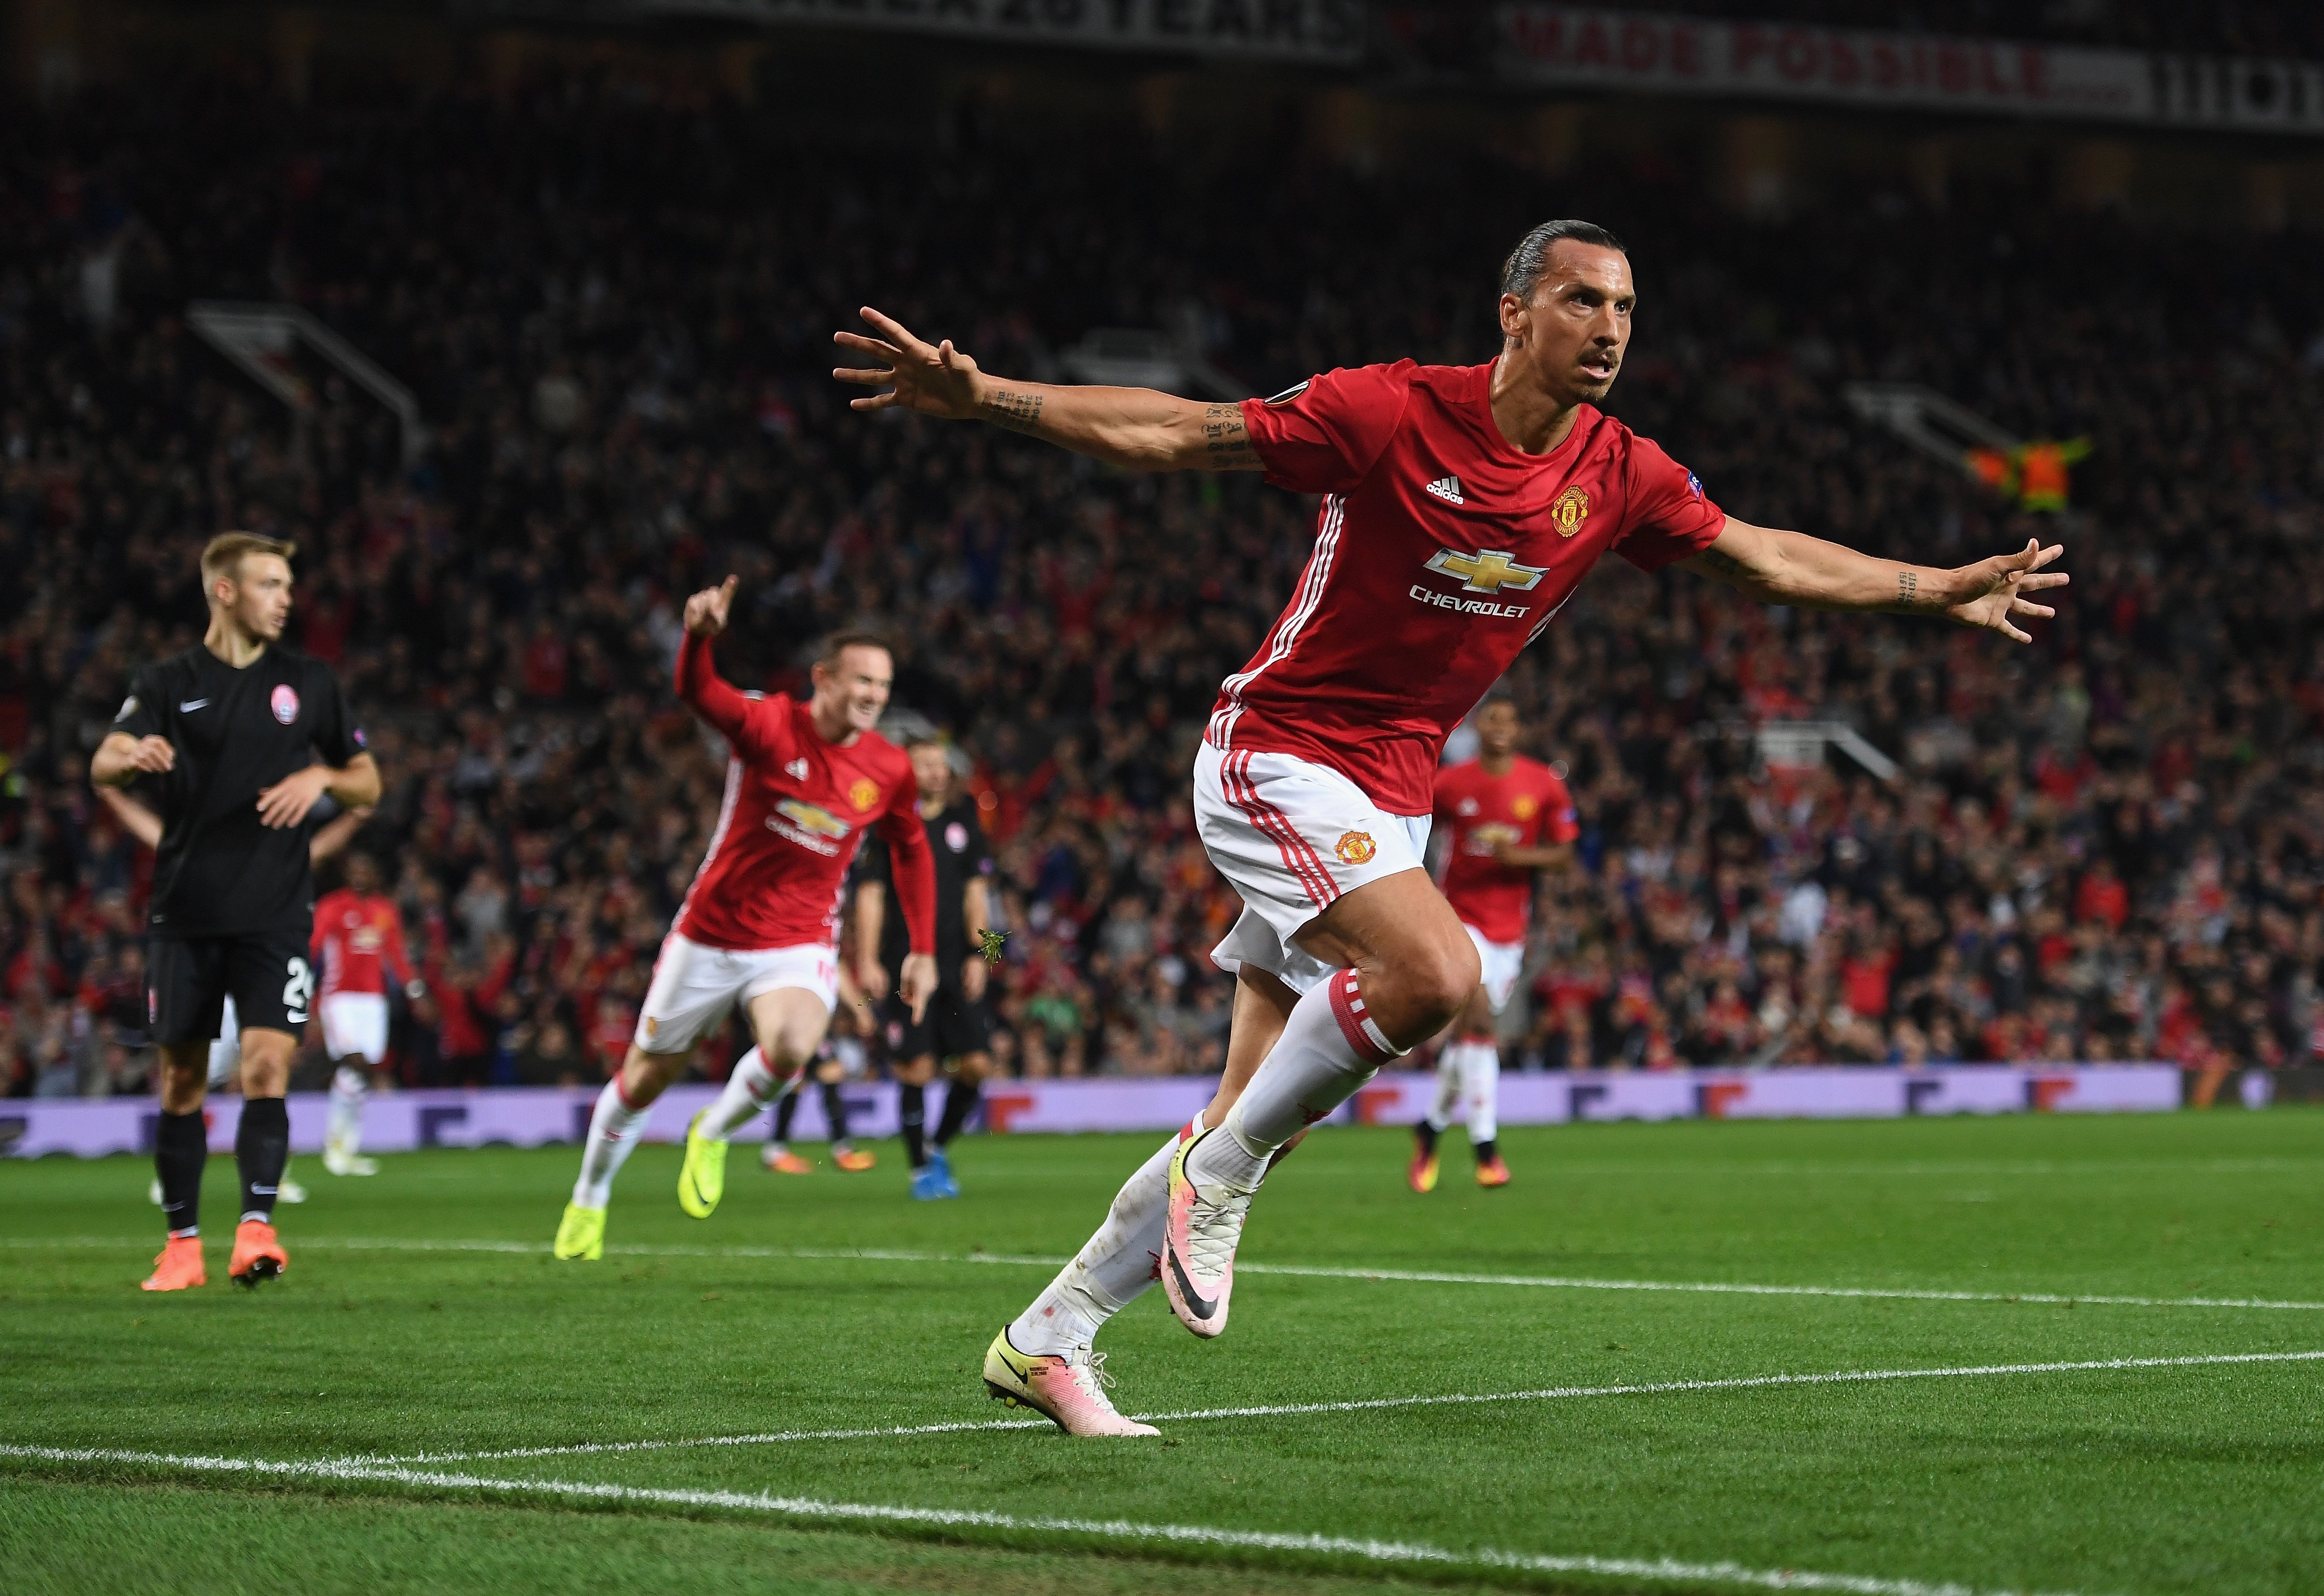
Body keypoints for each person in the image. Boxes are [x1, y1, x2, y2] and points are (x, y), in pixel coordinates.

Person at [837, 217, 2066, 1434]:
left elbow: (1760, 556)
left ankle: (1049, 1340)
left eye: (1627, 309)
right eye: (1584, 301)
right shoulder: (1385, 410)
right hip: (1278, 752)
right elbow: (1178, 433)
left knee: (1257, 1105)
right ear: (1514, 313)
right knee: (1431, 974)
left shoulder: (1616, 470)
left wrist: (1931, 587)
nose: (1610, 330)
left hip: (1389, 795)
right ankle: (1217, 1182)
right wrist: (988, 395)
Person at [551, 581, 937, 1261]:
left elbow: (910, 848)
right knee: (643, 1080)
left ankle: (716, 1129)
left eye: (883, 683)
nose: (874, 695)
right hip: (709, 934)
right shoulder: (768, 724)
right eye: (861, 681)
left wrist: (924, 947)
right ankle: (589, 1197)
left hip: (798, 939)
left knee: (792, 1046)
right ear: (824, 679)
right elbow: (700, 694)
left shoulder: (887, 766)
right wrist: (697, 636)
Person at [93, 532, 380, 1292]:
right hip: (185, 912)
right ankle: (181, 1244)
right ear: (226, 591)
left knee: (265, 1066)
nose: (287, 597)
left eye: (287, 582)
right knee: (183, 1080)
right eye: (270, 584)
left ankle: (256, 1230)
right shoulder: (167, 681)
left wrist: (319, 773)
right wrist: (133, 755)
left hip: (276, 912)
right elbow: (102, 763)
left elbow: (369, 784)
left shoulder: (310, 682)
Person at [102, 783, 372, 1209]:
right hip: (210, 983)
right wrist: (114, 796)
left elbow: (314, 852)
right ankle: (174, 1177)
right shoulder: (200, 850)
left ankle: (272, 1178)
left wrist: (356, 816)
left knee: (268, 1073)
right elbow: (158, 836)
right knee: (191, 1080)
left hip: (257, 980)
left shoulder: (272, 857)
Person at [1413, 695, 1574, 1193]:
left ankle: (1431, 1126)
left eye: (1509, 718)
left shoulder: (1542, 783)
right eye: (1492, 718)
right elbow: (1413, 827)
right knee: (1480, 1020)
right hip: (1458, 915)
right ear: (1478, 725)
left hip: (1511, 926)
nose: (1500, 726)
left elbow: (1565, 854)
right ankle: (1487, 1150)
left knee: (1471, 1036)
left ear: (1520, 728)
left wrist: (1518, 856)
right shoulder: (1452, 781)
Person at [856, 734, 998, 1200]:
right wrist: (868, 958)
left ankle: (937, 1145)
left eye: (941, 764)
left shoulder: (964, 822)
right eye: (926, 765)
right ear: (906, 773)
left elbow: (979, 897)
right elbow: (871, 895)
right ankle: (920, 1170)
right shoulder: (887, 827)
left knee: (977, 1065)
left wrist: (985, 954)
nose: (938, 772)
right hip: (905, 967)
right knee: (915, 1068)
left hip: (956, 966)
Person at [311, 850, 422, 1176]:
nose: (361, 875)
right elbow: (312, 948)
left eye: (367, 869)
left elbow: (396, 955)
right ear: (347, 873)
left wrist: (415, 990)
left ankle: (347, 1148)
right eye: (355, 868)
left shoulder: (384, 911)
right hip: (340, 997)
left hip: (373, 1000)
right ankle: (335, 1147)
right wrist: (304, 992)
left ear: (375, 876)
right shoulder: (332, 907)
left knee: (362, 1072)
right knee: (353, 1061)